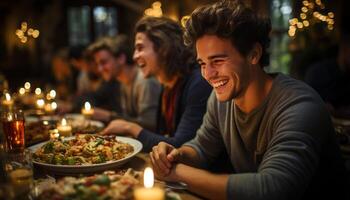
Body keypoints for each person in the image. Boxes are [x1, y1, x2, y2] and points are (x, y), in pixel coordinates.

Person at [150, 1, 349, 199]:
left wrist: (175, 173)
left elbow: (273, 189)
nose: (208, 74)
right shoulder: (220, 98)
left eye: (218, 61)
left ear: (254, 54)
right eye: (203, 63)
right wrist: (175, 155)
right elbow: (202, 148)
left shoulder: (300, 106)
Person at [100, 17, 212, 152]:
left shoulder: (198, 83)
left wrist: (129, 127)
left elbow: (180, 146)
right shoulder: (167, 85)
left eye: (140, 48)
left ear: (164, 48)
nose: (135, 56)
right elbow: (163, 136)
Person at [88, 35, 161, 130]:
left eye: (104, 62)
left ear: (121, 59)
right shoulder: (122, 81)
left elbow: (150, 124)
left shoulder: (144, 81)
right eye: (98, 64)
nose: (99, 69)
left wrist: (110, 116)